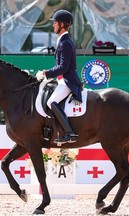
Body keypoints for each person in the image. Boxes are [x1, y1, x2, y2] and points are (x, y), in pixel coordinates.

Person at [36, 9, 82, 144]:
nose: (53, 25)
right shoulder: (63, 41)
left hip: (68, 81)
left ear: (62, 24)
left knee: (51, 102)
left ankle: (70, 133)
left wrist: (46, 73)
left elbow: (63, 67)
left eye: (55, 23)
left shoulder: (65, 43)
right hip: (62, 79)